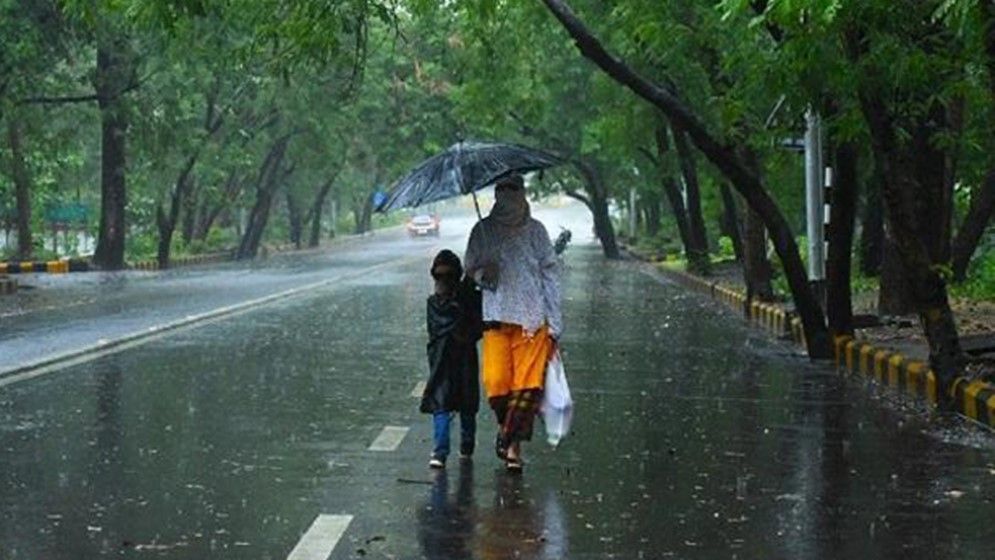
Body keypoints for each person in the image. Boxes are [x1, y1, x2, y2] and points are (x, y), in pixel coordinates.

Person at [463, 174, 562, 473]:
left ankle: (512, 447)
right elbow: (470, 267)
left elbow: (550, 275)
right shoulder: (483, 231)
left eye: (513, 189)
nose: (508, 195)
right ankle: (507, 431)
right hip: (496, 319)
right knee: (497, 384)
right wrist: (484, 273)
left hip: (533, 321)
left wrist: (555, 322)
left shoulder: (536, 231)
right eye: (502, 189)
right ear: (495, 194)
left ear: (522, 192)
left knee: (526, 388)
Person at [421, 249, 482, 469]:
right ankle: (444, 449)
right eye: (439, 275)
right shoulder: (436, 303)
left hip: (460, 358)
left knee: (460, 403)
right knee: (443, 403)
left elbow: (475, 328)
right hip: (443, 359)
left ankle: (461, 446)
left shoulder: (469, 298)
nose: (443, 280)